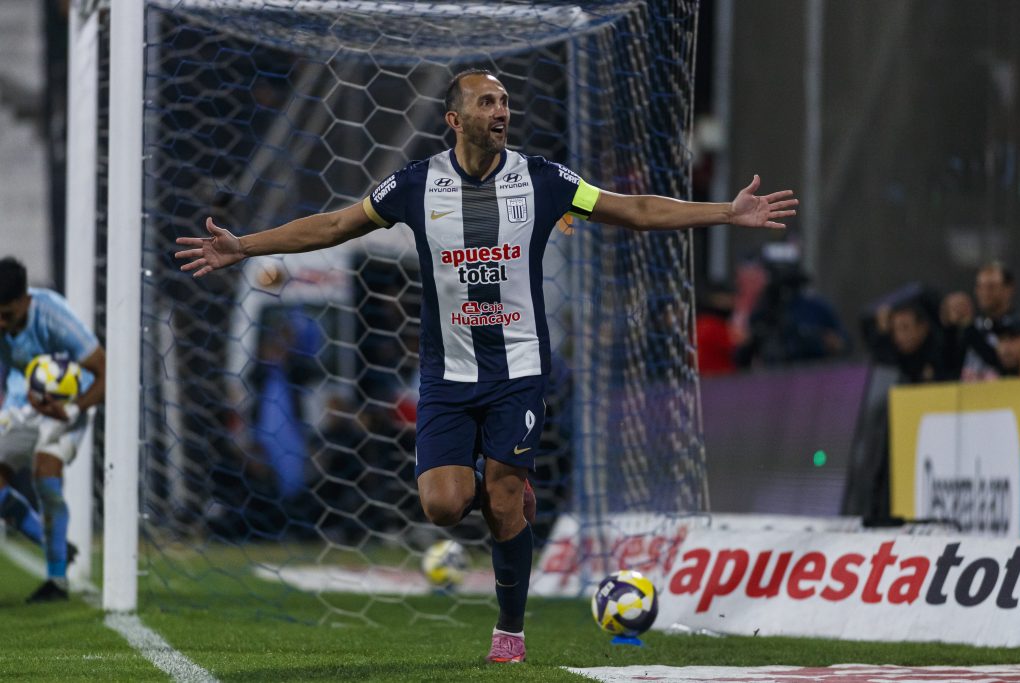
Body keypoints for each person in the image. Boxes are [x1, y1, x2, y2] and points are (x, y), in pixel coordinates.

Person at [175, 68, 797, 663]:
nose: (501, 111)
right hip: (447, 375)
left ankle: (510, 630)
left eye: (504, 102)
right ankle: (503, 492)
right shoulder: (416, 185)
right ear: (454, 118)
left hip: (519, 368)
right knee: (443, 506)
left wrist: (723, 211)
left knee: (502, 502)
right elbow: (337, 224)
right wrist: (245, 246)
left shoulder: (545, 180)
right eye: (486, 103)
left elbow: (630, 208)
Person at [0, 256, 106, 602]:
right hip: (24, 403)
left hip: (69, 404)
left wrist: (71, 409)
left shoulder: (54, 318)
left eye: (7, 315)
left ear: (23, 300)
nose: (1, 323)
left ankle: (57, 581)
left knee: (46, 471)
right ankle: (51, 542)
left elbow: (104, 371)